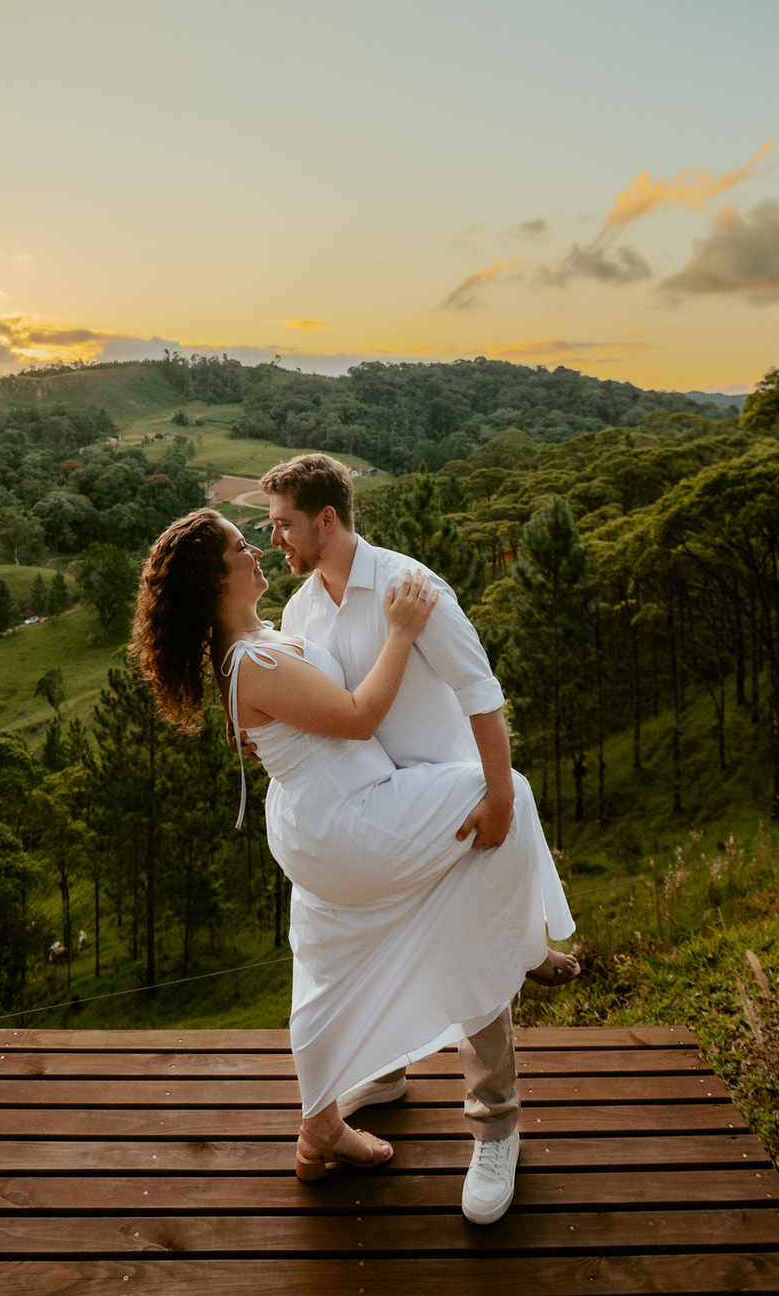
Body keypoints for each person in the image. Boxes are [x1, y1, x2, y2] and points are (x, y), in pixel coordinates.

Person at [133, 495, 575, 1226]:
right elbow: (360, 716)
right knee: (504, 796)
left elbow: (287, 716)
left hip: (322, 824)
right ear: (216, 582)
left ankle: (326, 1122)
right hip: (349, 824)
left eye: (267, 531)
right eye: (242, 545)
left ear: (325, 518)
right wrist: (401, 630)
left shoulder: (265, 638)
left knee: (331, 957)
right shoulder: (254, 658)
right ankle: (502, 1060)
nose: (258, 550)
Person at [260, 452, 577, 1221]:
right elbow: (325, 710)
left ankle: (496, 1127)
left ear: (326, 520)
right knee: (363, 943)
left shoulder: (411, 586)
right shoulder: (302, 612)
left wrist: (499, 794)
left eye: (284, 525)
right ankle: (390, 1067)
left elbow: (480, 691)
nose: (276, 541)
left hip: (450, 806)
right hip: (374, 813)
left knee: (470, 960)